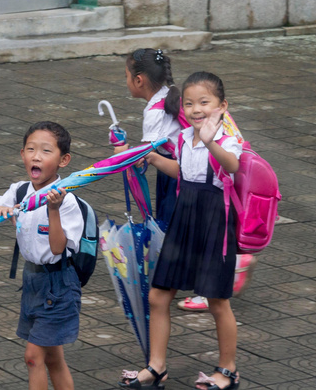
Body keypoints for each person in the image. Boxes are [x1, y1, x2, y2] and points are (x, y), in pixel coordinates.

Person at [119, 72, 242, 390]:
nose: (196, 109)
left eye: (204, 102)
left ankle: (228, 370)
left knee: (217, 301)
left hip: (215, 223)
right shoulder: (185, 140)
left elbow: (231, 166)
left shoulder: (227, 139)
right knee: (159, 296)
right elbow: (184, 173)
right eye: (189, 103)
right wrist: (148, 156)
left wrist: (211, 139)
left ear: (222, 105)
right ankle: (156, 367)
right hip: (184, 221)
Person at [0, 121, 83, 390]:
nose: (36, 156)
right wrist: (0, 210)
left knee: (33, 357)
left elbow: (58, 248)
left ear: (64, 160)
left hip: (59, 284)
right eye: (30, 149)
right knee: (53, 358)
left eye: (46, 151)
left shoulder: (67, 201)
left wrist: (54, 210)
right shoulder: (20, 191)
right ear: (22, 154)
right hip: (33, 280)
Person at [115, 48, 181, 228]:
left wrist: (122, 152)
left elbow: (140, 158)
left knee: (170, 228)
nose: (126, 81)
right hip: (178, 169)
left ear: (138, 81)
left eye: (126, 76)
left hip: (174, 176)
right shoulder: (169, 95)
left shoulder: (154, 112)